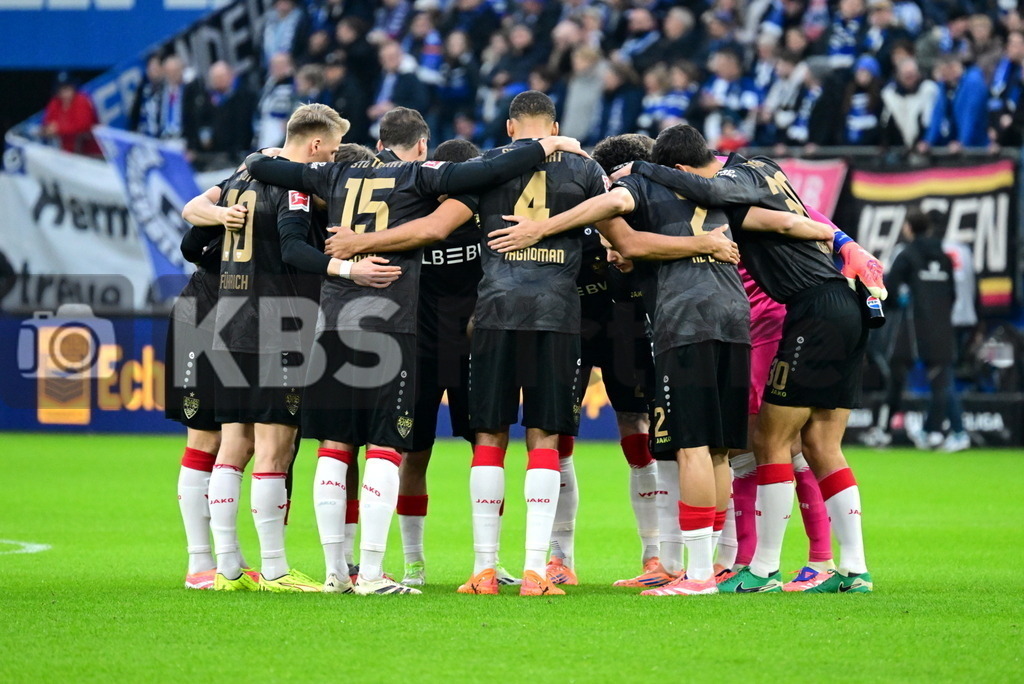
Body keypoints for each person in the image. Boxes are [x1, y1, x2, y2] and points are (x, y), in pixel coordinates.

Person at [245, 106, 586, 595]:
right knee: (388, 447)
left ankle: (337, 574)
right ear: (422, 146)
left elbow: (264, 168)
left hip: (338, 319)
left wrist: (265, 156)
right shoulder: (419, 178)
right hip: (395, 325)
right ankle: (378, 572)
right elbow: (484, 173)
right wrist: (545, 146)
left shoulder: (337, 172)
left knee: (335, 446)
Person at [491, 127, 838, 598]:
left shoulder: (639, 185)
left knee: (693, 446)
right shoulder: (721, 191)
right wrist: (839, 240)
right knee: (720, 450)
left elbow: (611, 211)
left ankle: (695, 576)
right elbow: (787, 222)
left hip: (687, 320)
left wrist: (543, 227)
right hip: (735, 319)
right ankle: (714, 564)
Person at [621, 128, 882, 593]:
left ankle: (764, 568)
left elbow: (732, 200)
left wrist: (642, 169)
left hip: (807, 310)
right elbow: (804, 220)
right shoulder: (766, 169)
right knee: (821, 443)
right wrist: (841, 239)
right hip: (844, 305)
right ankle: (852, 568)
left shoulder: (732, 187)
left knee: (771, 440)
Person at [201, 104, 397, 593]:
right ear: (314, 146)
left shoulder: (239, 179)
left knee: (232, 447)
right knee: (275, 448)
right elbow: (293, 249)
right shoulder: (293, 186)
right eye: (329, 151)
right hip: (278, 325)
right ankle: (273, 569)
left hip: (228, 321)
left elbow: (190, 243)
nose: (330, 160)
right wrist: (349, 268)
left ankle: (227, 568)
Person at [169, 187, 250, 590]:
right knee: (204, 439)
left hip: (247, 323)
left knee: (244, 441)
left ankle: (230, 556)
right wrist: (222, 216)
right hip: (201, 315)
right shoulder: (244, 183)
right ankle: (200, 561)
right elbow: (190, 224)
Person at [886, 210, 967, 452]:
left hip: (913, 327)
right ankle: (937, 432)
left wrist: (896, 304)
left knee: (898, 372)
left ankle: (885, 430)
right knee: (942, 380)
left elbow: (889, 287)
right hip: (942, 326)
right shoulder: (944, 256)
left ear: (909, 228)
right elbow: (952, 294)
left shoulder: (906, 254)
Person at [41, 73, 100, 155]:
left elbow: (83, 126)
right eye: (61, 89)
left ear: (73, 87)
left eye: (67, 88)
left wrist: (59, 128)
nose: (65, 92)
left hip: (89, 153)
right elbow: (47, 124)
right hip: (66, 154)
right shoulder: (55, 103)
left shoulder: (82, 100)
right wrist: (46, 129)